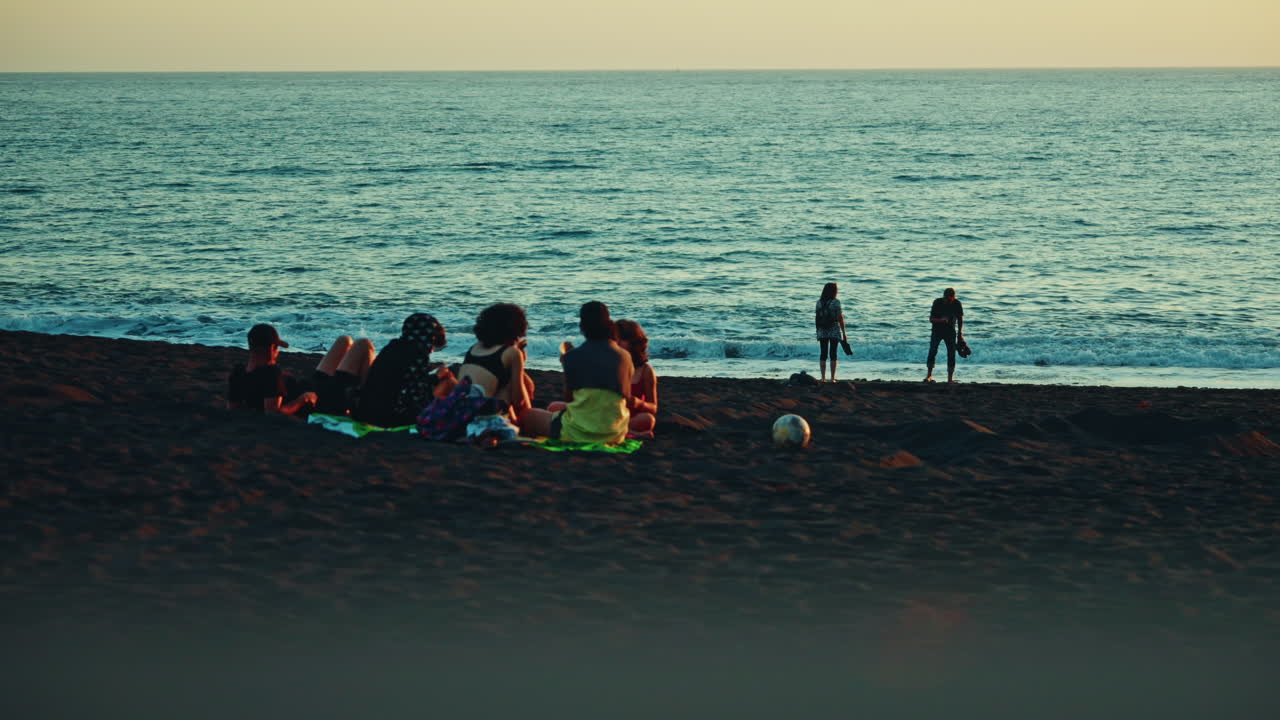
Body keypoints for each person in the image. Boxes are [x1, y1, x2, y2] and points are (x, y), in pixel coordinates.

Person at [520, 301, 636, 445]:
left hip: (577, 432)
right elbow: (626, 395)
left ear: (582, 327)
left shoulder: (572, 357)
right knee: (555, 408)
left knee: (528, 415)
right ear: (609, 324)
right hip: (616, 433)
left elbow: (569, 398)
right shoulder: (625, 356)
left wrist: (566, 364)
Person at [417, 304, 532, 442]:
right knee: (509, 385)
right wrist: (521, 363)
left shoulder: (474, 348)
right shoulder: (513, 353)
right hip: (481, 413)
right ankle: (520, 426)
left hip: (458, 412)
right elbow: (519, 400)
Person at [353, 313, 455, 427]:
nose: (431, 350)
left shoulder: (392, 347)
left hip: (366, 412)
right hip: (389, 418)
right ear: (429, 337)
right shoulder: (418, 354)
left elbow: (400, 377)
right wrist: (437, 376)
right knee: (448, 381)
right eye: (433, 345)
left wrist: (427, 368)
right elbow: (417, 394)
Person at [226, 323, 317, 417]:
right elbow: (273, 413)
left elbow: (232, 408)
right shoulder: (271, 373)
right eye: (277, 348)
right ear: (272, 348)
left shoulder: (238, 372)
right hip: (311, 397)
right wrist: (304, 398)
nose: (277, 351)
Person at [614, 319, 658, 436]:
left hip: (631, 418)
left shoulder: (645, 371)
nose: (616, 343)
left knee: (648, 419)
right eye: (614, 339)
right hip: (608, 417)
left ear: (633, 342)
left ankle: (620, 432)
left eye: (621, 339)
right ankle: (629, 433)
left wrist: (639, 404)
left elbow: (653, 407)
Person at [925, 287, 965, 383]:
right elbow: (931, 319)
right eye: (946, 299)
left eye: (950, 299)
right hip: (937, 331)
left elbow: (960, 319)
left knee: (951, 354)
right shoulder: (937, 302)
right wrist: (941, 320)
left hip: (950, 332)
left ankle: (950, 378)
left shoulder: (957, 303)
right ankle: (929, 375)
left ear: (953, 297)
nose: (947, 301)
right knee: (932, 351)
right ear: (943, 296)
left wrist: (960, 334)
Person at [815, 282, 847, 383]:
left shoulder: (819, 302)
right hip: (833, 329)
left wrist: (817, 330)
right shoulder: (836, 302)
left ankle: (823, 378)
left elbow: (817, 317)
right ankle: (832, 378)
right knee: (833, 354)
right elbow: (840, 318)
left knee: (823, 353)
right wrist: (844, 332)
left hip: (822, 330)